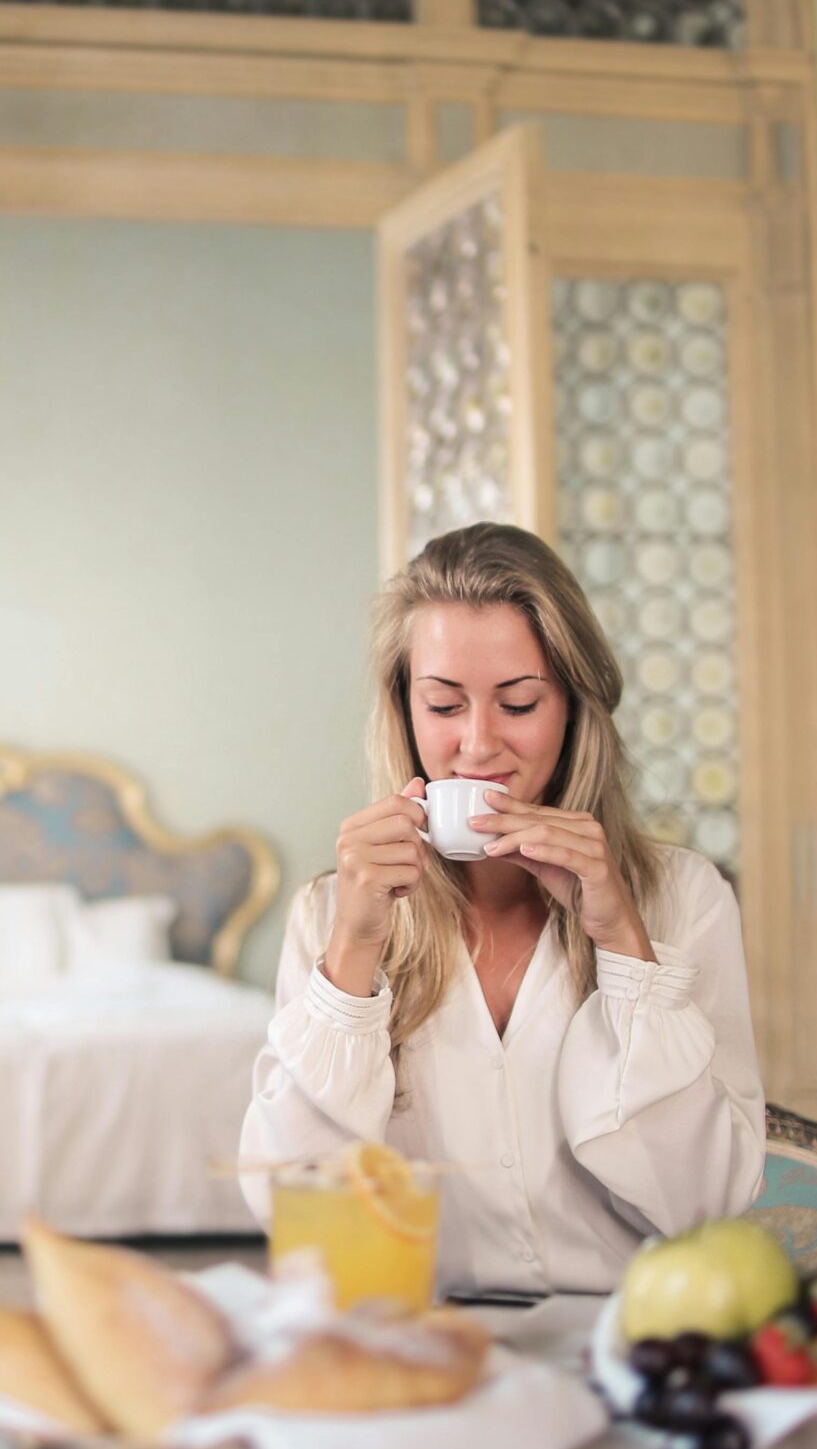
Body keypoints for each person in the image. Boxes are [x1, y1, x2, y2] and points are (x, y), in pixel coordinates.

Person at [239, 522, 764, 1296]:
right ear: (405, 710)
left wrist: (621, 940)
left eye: (518, 703)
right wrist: (353, 950)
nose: (478, 746)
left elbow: (705, 1204)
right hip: (422, 1347)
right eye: (444, 704)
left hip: (626, 1346)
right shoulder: (330, 912)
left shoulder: (683, 899)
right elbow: (288, 1208)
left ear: (574, 710)